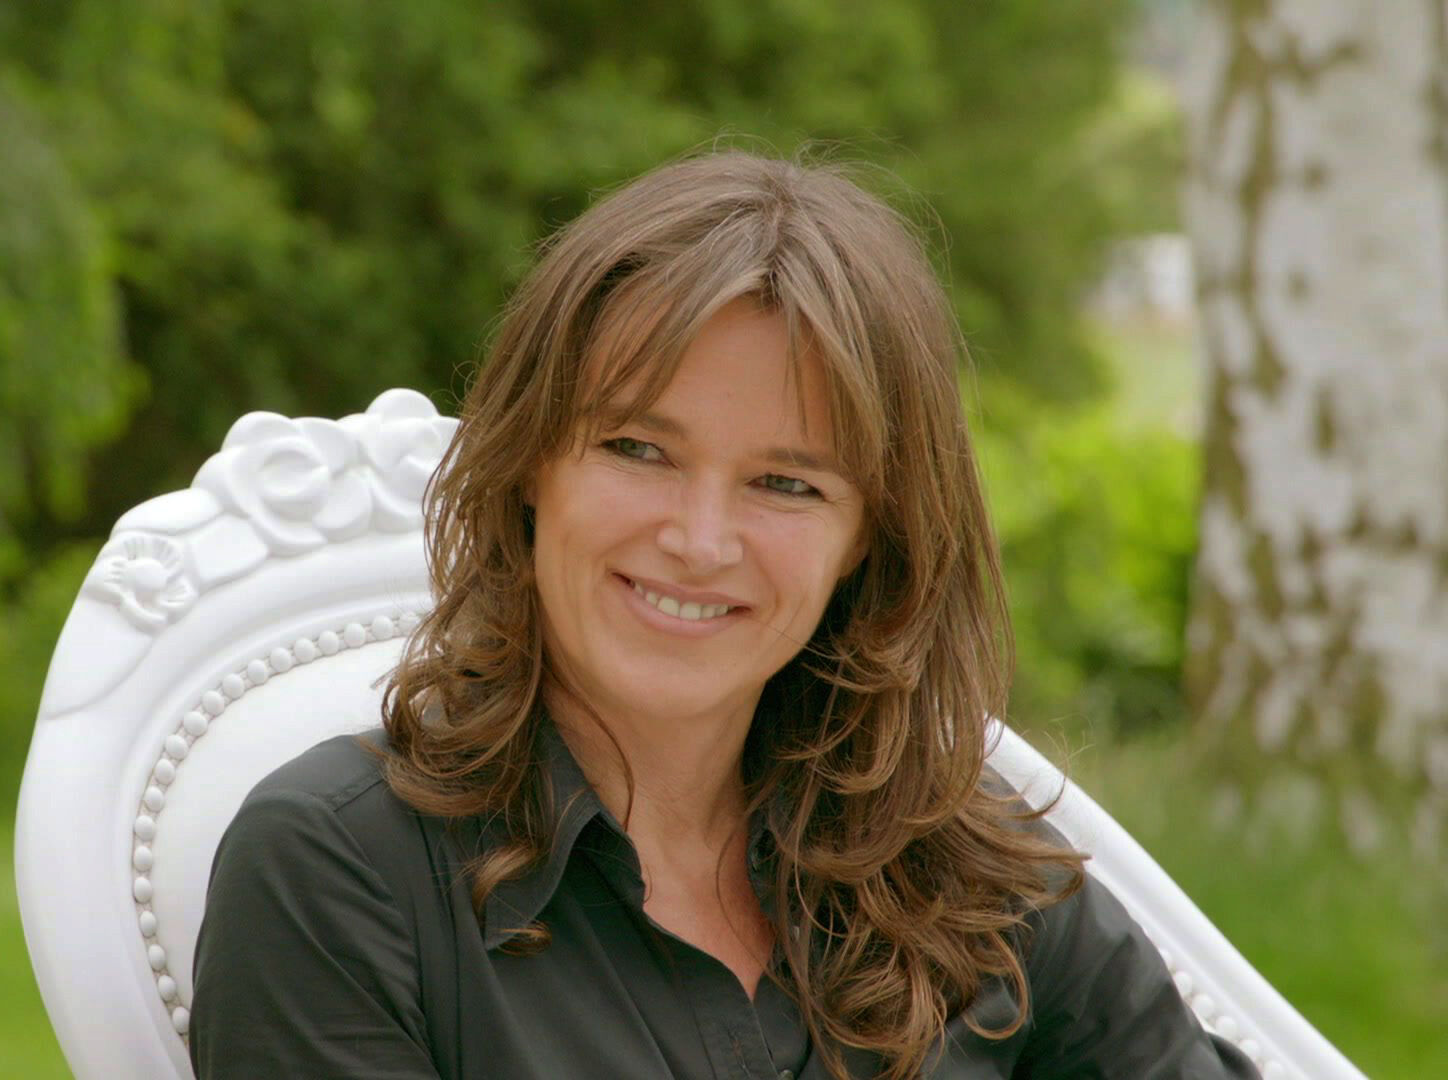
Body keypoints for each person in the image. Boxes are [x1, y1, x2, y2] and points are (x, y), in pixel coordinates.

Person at [189, 150, 1258, 1079]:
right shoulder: (336, 873)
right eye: (638, 450)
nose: (700, 541)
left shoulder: (964, 867)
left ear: (868, 538)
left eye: (786, 484)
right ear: (530, 464)